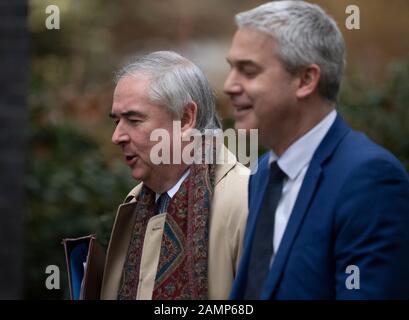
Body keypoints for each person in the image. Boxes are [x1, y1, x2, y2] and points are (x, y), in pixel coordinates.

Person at [224, 1, 409, 299]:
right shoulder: (261, 174)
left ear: (306, 80)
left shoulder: (370, 180)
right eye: (231, 68)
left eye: (248, 71)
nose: (229, 85)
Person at [100, 51, 249, 300]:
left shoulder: (246, 200)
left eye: (134, 120)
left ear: (186, 118)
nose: (117, 137)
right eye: (116, 121)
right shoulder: (135, 201)